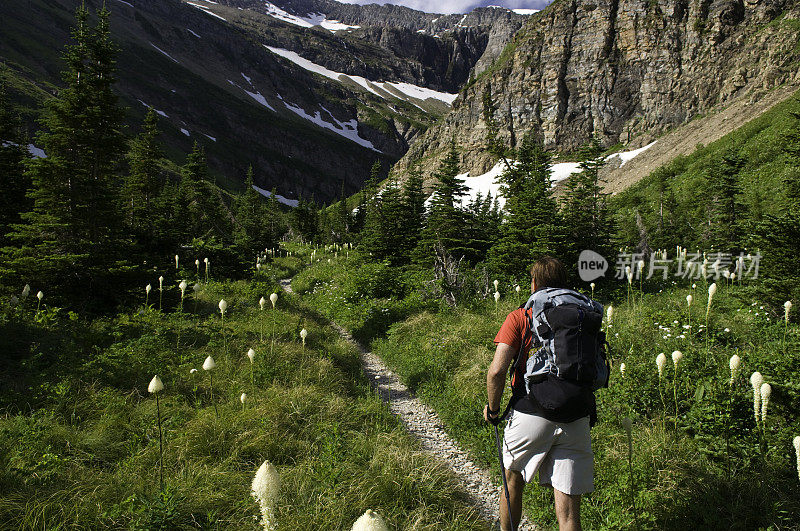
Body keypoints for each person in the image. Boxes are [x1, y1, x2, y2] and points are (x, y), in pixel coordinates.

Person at [484, 256, 596, 531]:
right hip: (577, 413)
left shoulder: (521, 315)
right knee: (569, 513)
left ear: (534, 283)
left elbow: (497, 371)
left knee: (512, 481)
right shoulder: (582, 315)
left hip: (530, 412)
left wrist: (494, 409)